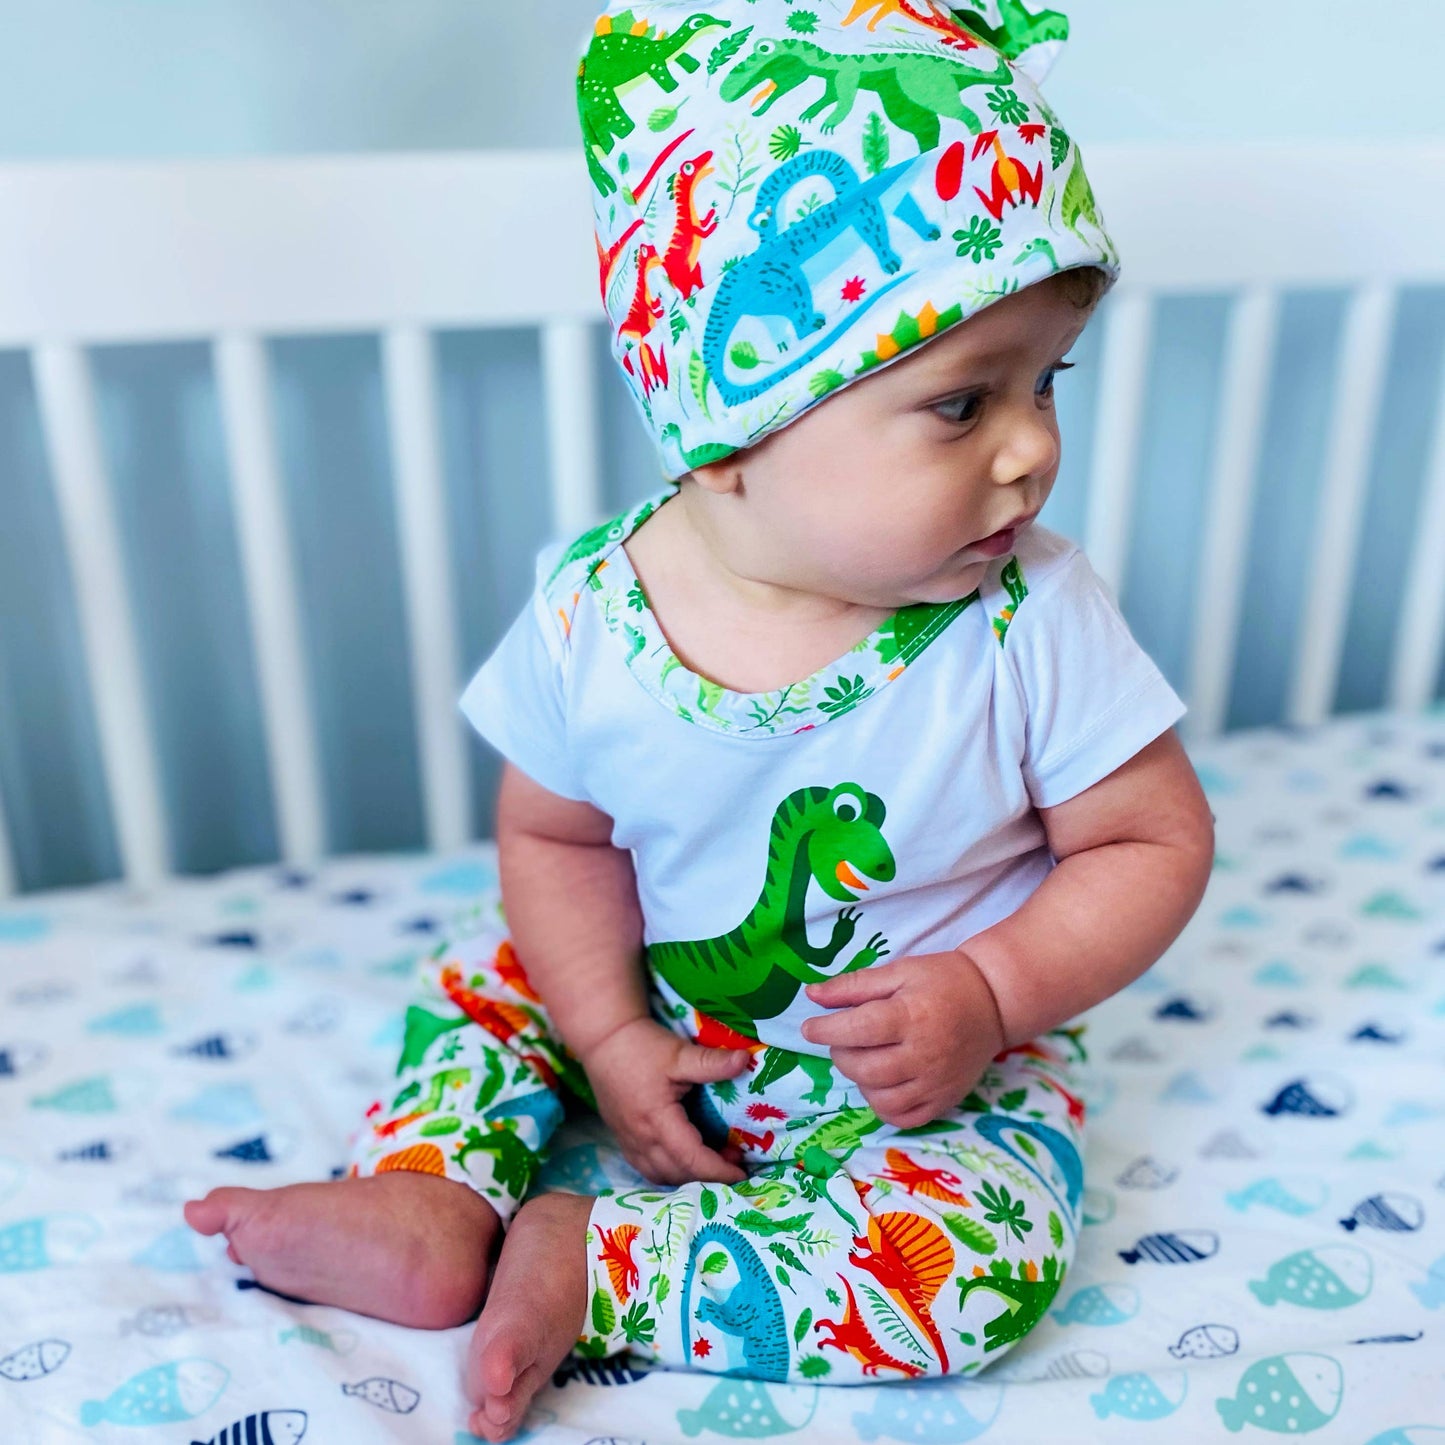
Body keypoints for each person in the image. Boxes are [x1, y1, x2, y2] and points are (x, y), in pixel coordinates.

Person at [184, 2, 1216, 1439]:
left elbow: (1149, 837)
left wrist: (991, 991)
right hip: (653, 994)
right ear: (729, 434)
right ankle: (428, 1188)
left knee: (975, 1271)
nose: (1033, 445)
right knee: (490, 983)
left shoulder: (1029, 616)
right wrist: (604, 1031)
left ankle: (595, 1257)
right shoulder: (587, 609)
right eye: (959, 401)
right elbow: (553, 832)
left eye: (1048, 380)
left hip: (926, 1073)